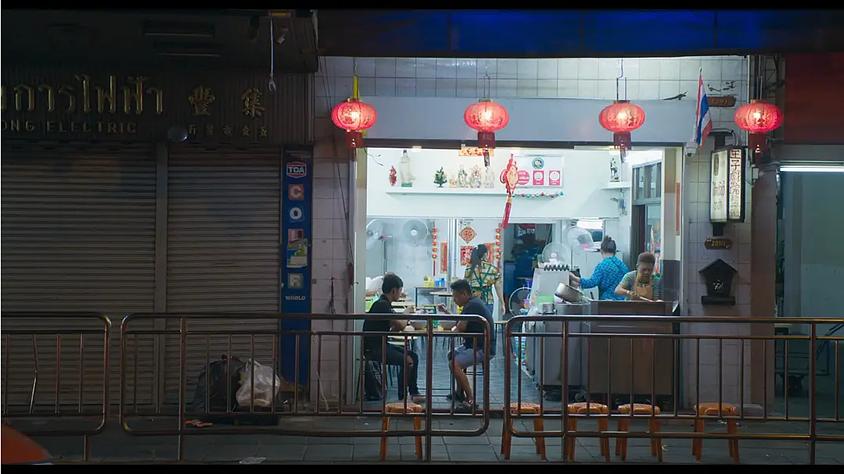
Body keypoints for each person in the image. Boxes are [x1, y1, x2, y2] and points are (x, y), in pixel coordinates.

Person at [363, 273, 425, 403]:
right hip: (375, 349)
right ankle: (403, 396)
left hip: (382, 344)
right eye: (400, 290)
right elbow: (401, 325)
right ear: (393, 290)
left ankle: (413, 392)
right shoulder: (382, 305)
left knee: (413, 356)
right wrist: (407, 312)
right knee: (408, 360)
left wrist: (399, 322)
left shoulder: (384, 304)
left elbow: (394, 325)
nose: (400, 293)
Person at [437, 279, 496, 411]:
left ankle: (471, 400)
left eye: (455, 296)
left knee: (454, 364)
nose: (454, 300)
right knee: (451, 355)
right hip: (474, 345)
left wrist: (451, 330)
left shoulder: (472, 305)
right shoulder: (472, 303)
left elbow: (460, 327)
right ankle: (459, 393)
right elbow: (460, 322)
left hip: (482, 348)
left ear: (464, 294)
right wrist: (446, 312)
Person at [569, 236, 629, 300]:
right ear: (615, 251)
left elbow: (591, 282)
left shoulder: (602, 266)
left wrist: (574, 278)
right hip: (623, 302)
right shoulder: (623, 266)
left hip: (607, 302)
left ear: (601, 251)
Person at [464, 244, 504, 318]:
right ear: (485, 254)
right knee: (486, 323)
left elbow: (465, 286)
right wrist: (502, 303)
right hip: (488, 301)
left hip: (474, 301)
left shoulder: (469, 269)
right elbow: (498, 287)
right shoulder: (492, 269)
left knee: (473, 322)